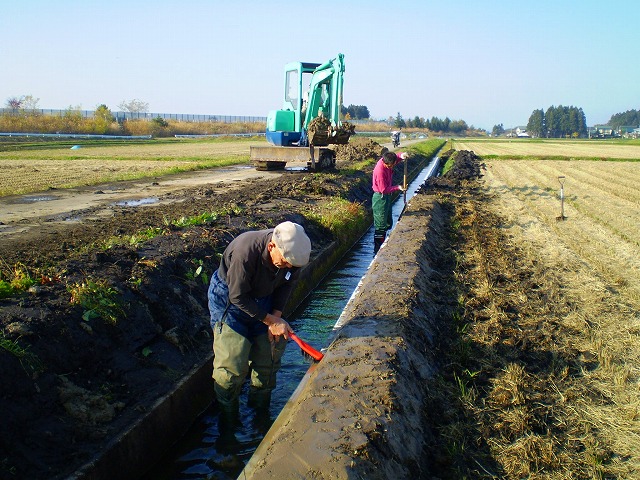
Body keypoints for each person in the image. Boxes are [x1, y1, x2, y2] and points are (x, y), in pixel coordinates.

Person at [207, 221, 311, 435]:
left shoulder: (293, 259)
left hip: (263, 298)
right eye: (285, 263)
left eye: (293, 265)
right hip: (230, 302)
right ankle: (229, 426)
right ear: (272, 247)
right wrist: (271, 322)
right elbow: (237, 297)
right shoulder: (245, 252)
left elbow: (287, 284)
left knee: (268, 358)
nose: (289, 267)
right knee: (231, 369)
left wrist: (276, 317)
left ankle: (260, 417)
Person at [372, 150, 409, 253]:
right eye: (390, 166)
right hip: (380, 197)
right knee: (380, 225)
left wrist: (401, 156)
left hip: (386, 196)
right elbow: (383, 189)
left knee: (388, 221)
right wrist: (397, 187)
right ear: (385, 163)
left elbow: (396, 159)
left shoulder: (389, 160)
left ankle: (386, 240)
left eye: (393, 165)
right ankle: (378, 249)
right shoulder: (380, 171)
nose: (392, 167)